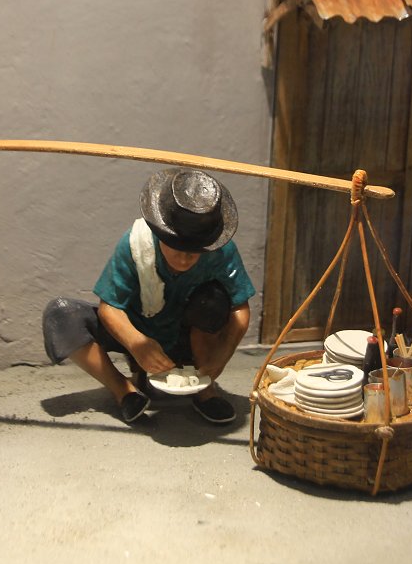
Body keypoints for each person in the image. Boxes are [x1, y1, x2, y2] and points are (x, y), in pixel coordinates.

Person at [42, 167, 255, 425]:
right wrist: (136, 343)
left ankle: (203, 387)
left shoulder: (221, 252)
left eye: (194, 251)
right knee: (61, 314)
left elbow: (239, 309)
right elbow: (110, 306)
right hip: (136, 327)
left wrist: (222, 353)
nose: (184, 258)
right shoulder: (135, 245)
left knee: (214, 302)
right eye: (176, 247)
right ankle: (124, 391)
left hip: (184, 333)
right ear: (160, 232)